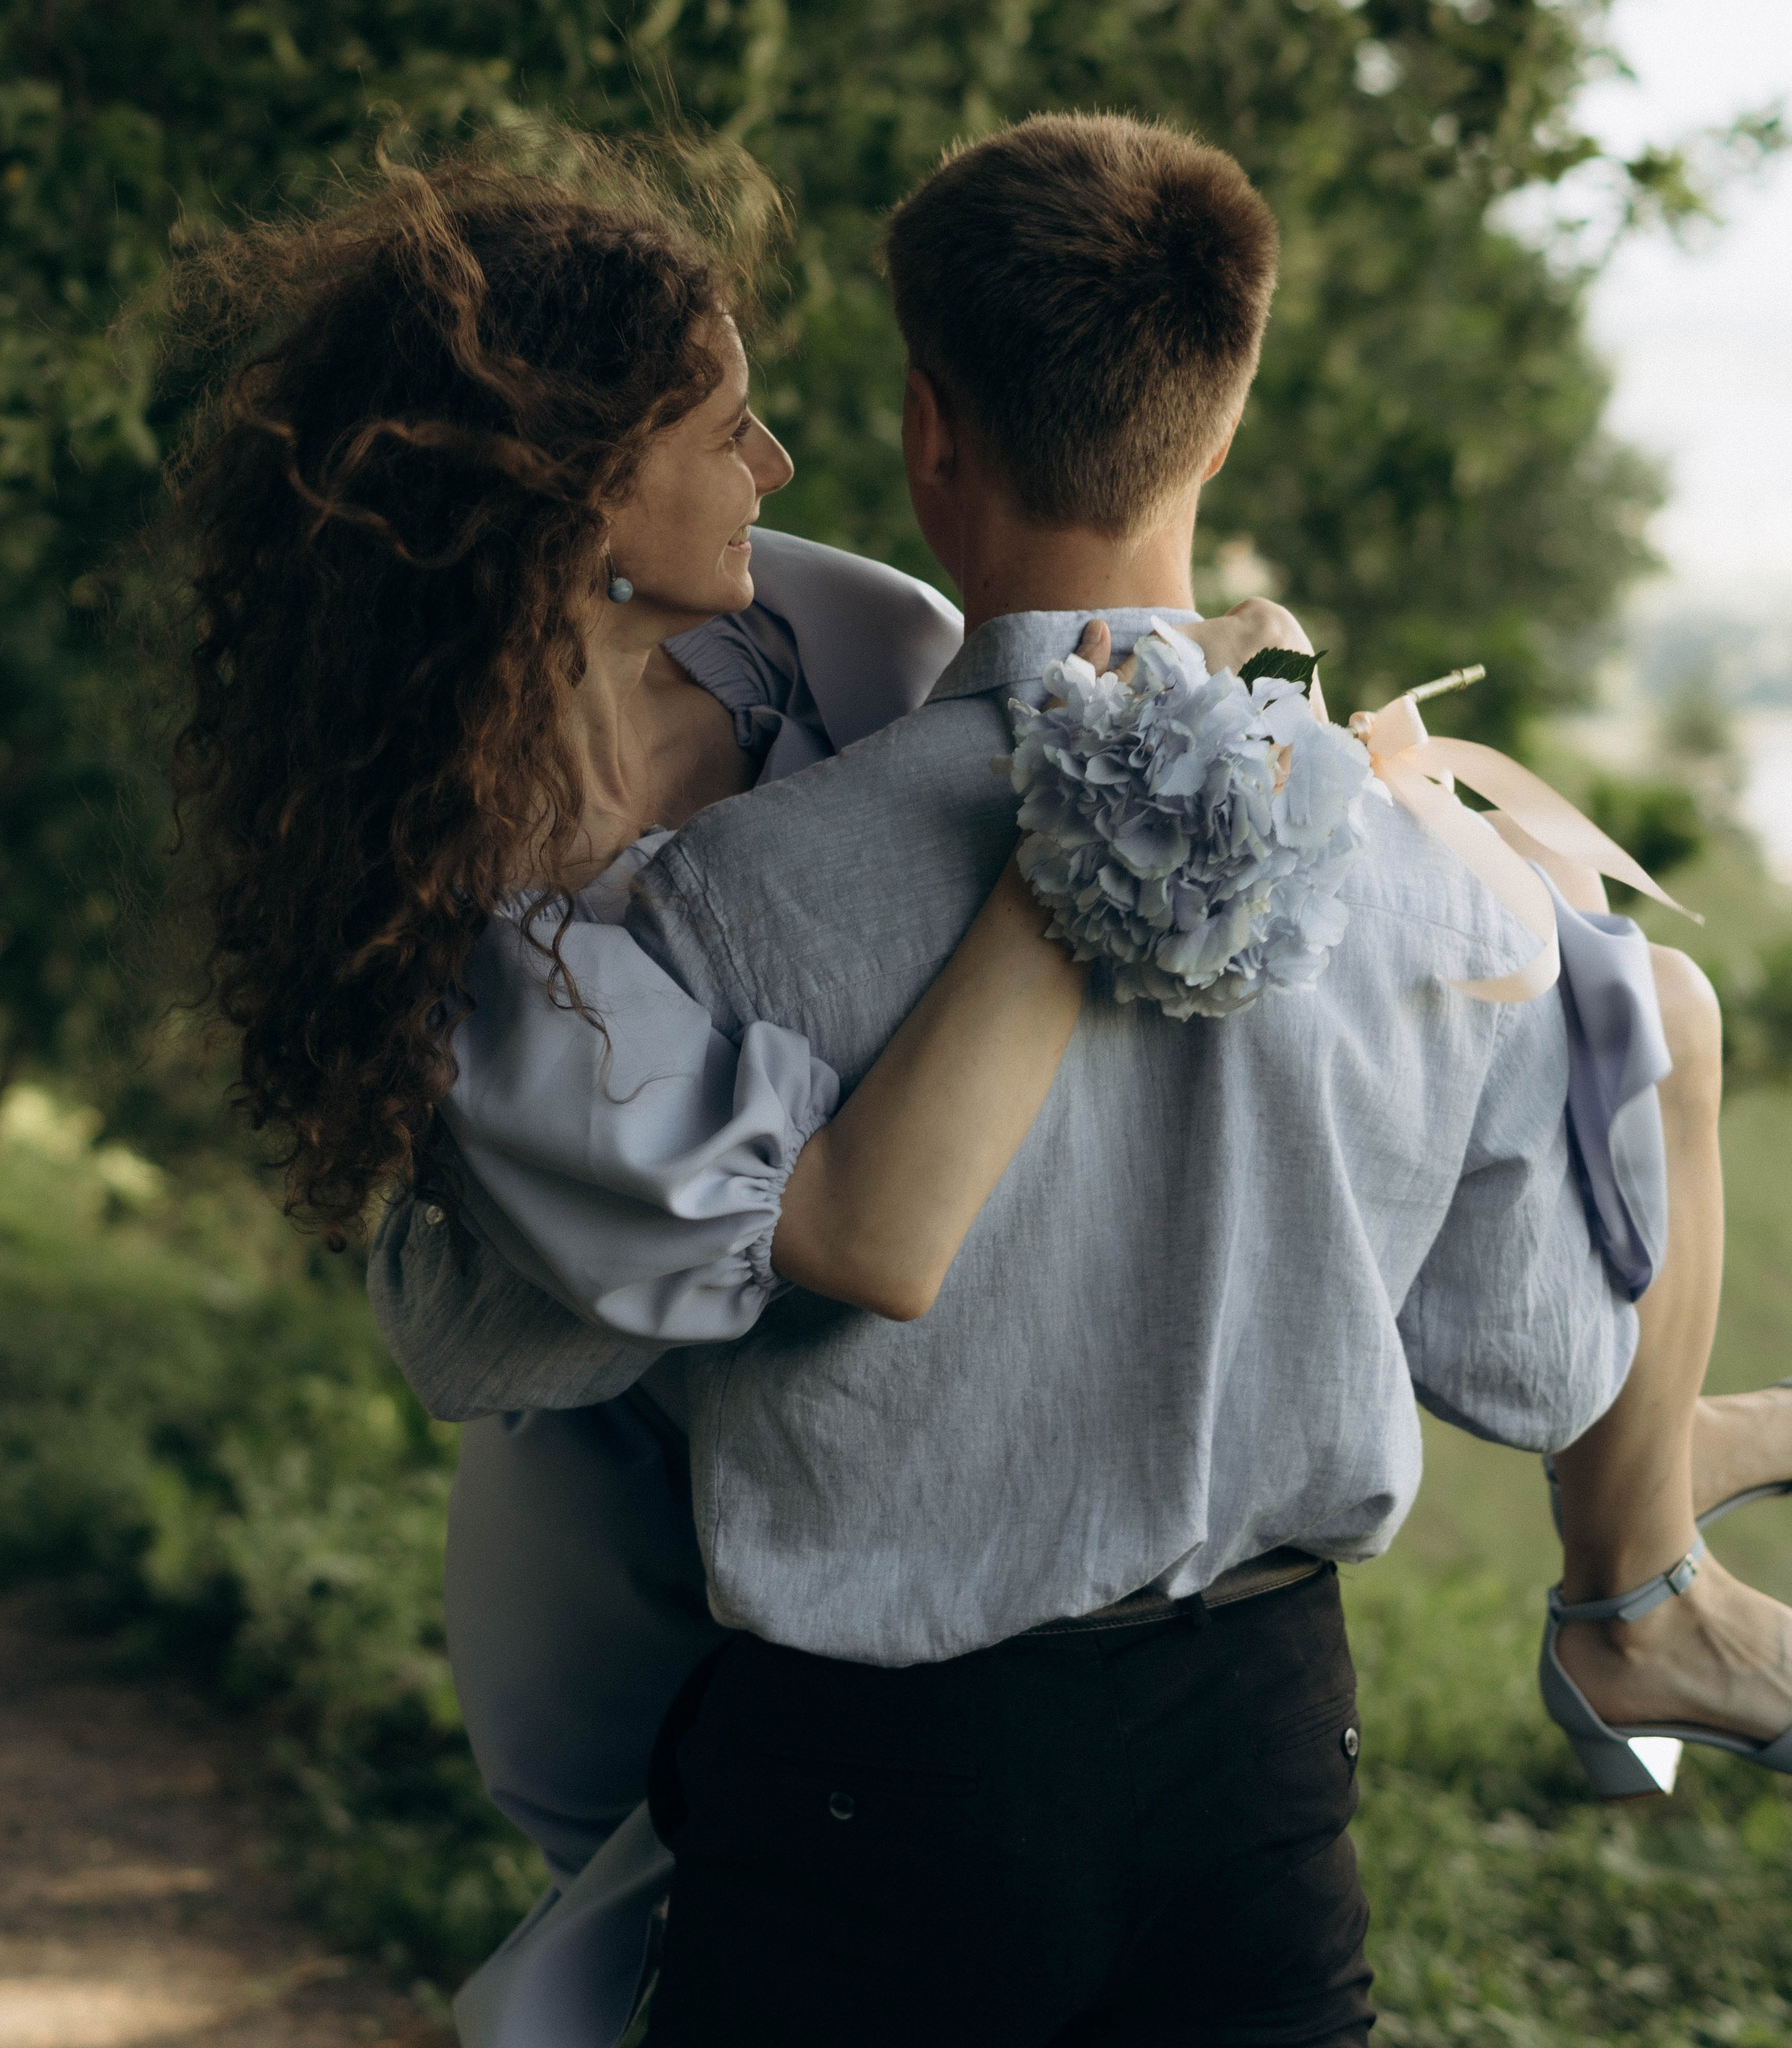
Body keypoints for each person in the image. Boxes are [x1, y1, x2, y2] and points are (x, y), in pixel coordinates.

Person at [168, 122, 1792, 2046]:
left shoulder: (787, 733)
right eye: (724, 430)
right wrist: (1233, 842)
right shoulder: (518, 960)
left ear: (932, 432)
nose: (772, 471)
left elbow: (981, 731)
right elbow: (1509, 1356)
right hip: (1034, 1673)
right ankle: (1642, 1588)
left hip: (1004, 1751)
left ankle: (1653, 1550)